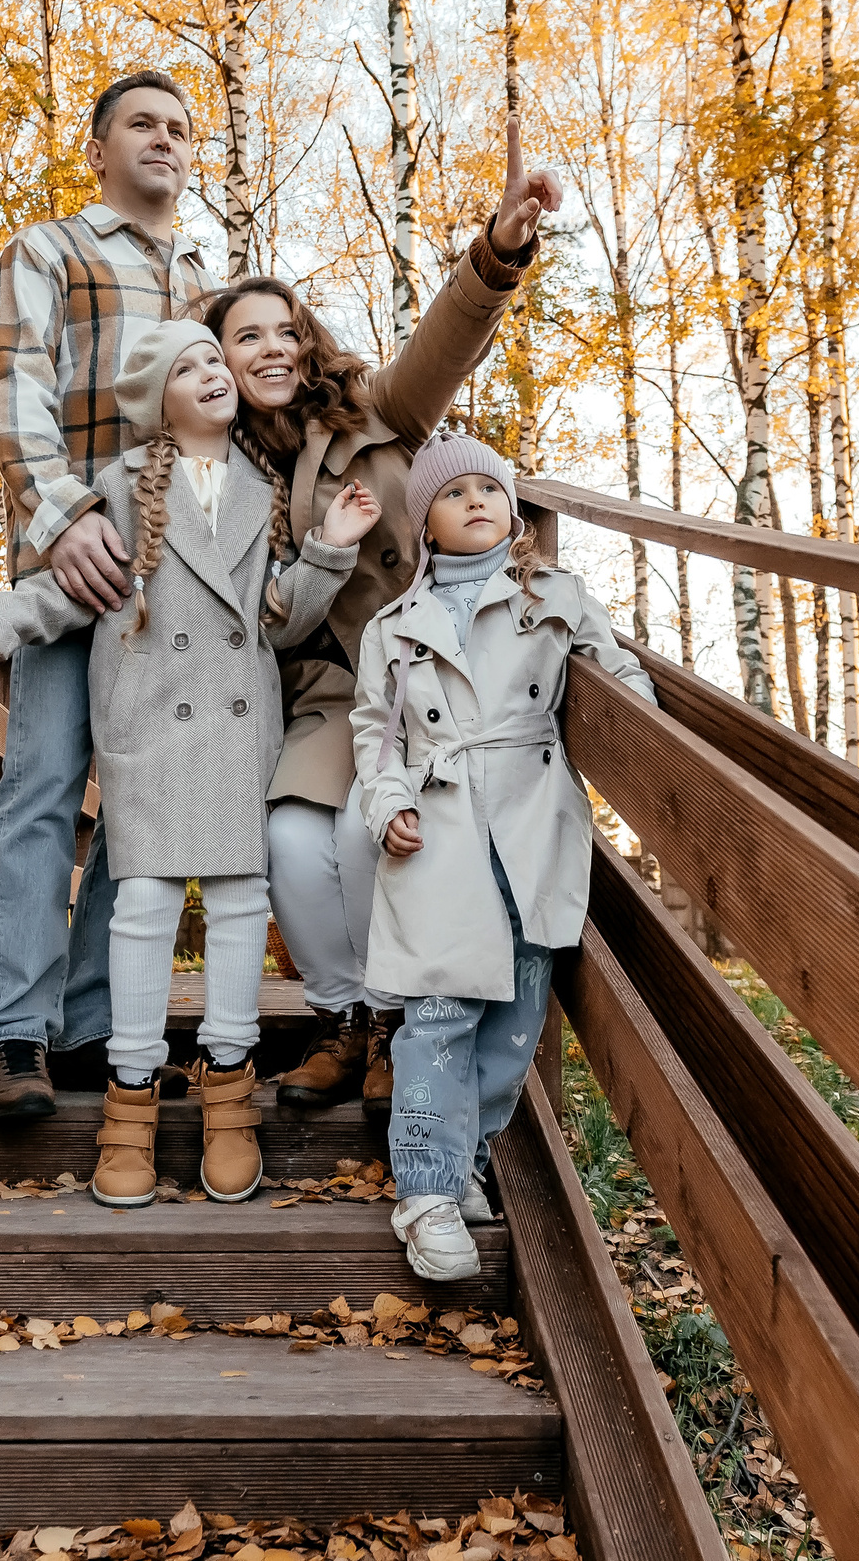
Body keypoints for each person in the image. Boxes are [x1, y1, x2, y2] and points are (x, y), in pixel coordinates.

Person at [0, 321, 381, 1204]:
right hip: (148, 732)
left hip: (234, 732)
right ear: (155, 401)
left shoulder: (266, 492)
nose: (214, 371)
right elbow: (64, 593)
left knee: (236, 903)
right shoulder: (121, 488)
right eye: (189, 366)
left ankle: (228, 1090)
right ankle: (130, 1096)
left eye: (214, 359)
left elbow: (279, 617)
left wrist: (330, 546)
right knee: (140, 907)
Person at [204, 118, 562, 1120]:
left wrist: (497, 251)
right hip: (322, 692)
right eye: (245, 336)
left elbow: (440, 349)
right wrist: (318, 546)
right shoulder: (225, 476)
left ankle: (397, 1023)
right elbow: (263, 625)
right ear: (218, 362)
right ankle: (343, 1017)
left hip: (424, 676)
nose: (270, 348)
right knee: (287, 844)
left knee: (370, 842)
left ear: (308, 342)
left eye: (284, 329)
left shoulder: (372, 414)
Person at [349, 430, 656, 1281]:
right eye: (455, 493)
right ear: (427, 526)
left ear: (512, 508)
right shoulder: (394, 626)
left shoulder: (554, 593)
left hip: (530, 821)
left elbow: (618, 675)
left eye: (491, 487)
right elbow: (375, 735)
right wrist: (390, 804)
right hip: (439, 827)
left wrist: (654, 746)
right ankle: (426, 1188)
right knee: (440, 1014)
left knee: (517, 1016)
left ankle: (469, 1156)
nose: (477, 499)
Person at [0, 70, 214, 1120]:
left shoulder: (212, 280)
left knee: (145, 814)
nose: (164, 141)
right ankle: (11, 1034)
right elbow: (11, 388)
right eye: (143, 125)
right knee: (42, 787)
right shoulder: (49, 252)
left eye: (180, 130)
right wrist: (64, 520)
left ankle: (92, 1025)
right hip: (72, 565)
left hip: (182, 592)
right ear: (99, 148)